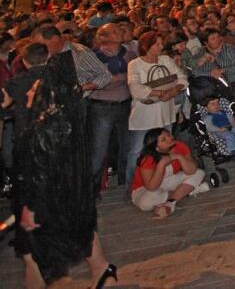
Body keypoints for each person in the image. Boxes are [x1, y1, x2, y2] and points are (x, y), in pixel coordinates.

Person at [4, 48, 116, 287]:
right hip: (62, 197)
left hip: (44, 201)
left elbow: (40, 172)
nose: (32, 90)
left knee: (37, 255)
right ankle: (102, 270)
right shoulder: (60, 121)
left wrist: (30, 209)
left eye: (36, 88)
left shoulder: (45, 129)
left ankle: (99, 270)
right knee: (69, 238)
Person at [125, 32, 188, 187]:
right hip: (145, 115)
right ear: (147, 46)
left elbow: (182, 78)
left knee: (167, 147)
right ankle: (133, 184)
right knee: (137, 151)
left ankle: (165, 181)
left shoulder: (166, 60)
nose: (161, 47)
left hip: (165, 112)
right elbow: (136, 88)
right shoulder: (135, 64)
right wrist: (159, 93)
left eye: (161, 43)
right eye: (157, 44)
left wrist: (173, 91)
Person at [89, 23, 134, 190]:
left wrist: (114, 78)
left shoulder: (128, 54)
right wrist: (119, 78)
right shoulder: (95, 57)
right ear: (103, 38)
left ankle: (125, 182)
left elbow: (132, 77)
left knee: (127, 145)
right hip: (103, 106)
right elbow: (101, 83)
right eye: (114, 32)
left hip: (125, 103)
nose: (119, 33)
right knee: (99, 148)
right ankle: (92, 188)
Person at [130, 128, 208, 217]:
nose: (169, 139)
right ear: (156, 147)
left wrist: (179, 157)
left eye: (169, 135)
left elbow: (192, 170)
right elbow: (151, 187)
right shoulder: (147, 158)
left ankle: (171, 202)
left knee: (199, 173)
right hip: (145, 189)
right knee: (145, 204)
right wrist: (161, 164)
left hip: (169, 182)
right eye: (164, 139)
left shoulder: (179, 146)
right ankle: (185, 192)